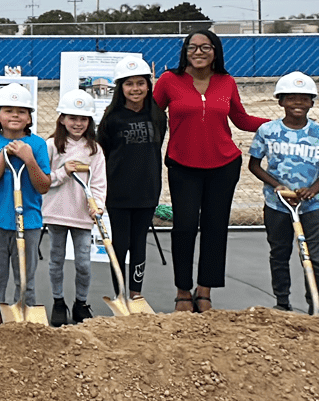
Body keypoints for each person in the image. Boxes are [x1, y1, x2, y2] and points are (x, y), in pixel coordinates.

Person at [153, 30, 268, 313]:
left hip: (223, 166)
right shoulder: (169, 80)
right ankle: (182, 291)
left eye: (206, 47)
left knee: (215, 229)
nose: (199, 52)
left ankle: (204, 290)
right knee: (184, 227)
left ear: (215, 51)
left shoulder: (226, 82)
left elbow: (240, 119)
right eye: (193, 47)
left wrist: (281, 123)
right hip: (183, 165)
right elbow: (151, 116)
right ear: (185, 51)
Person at [248, 72, 319, 314]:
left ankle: (317, 306)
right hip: (277, 205)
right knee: (279, 253)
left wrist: (312, 190)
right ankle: (282, 302)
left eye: (304, 99)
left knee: (314, 258)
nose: (298, 103)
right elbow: (254, 165)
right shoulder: (267, 131)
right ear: (280, 101)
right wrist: (277, 186)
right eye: (291, 98)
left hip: (312, 206)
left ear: (312, 102)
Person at [0, 83, 51, 325]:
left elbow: (43, 185)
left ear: (29, 118)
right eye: (8, 111)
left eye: (21, 111)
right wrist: (5, 153)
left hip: (28, 220)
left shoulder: (38, 144)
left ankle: (25, 313)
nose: (15, 115)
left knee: (25, 274)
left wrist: (29, 158)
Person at [98, 57, 166, 308]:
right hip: (118, 192)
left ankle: (136, 292)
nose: (135, 89)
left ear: (148, 85)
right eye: (129, 84)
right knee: (120, 243)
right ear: (120, 88)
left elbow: (156, 147)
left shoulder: (157, 115)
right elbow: (103, 151)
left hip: (147, 191)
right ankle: (119, 290)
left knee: (139, 243)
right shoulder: (112, 117)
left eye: (140, 83)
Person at [43, 89, 106, 326]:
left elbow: (99, 183)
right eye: (72, 118)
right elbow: (43, 180)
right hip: (56, 212)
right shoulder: (51, 145)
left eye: (83, 119)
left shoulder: (94, 150)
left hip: (82, 214)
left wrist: (97, 206)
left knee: (83, 262)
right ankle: (58, 302)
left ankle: (81, 302)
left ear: (89, 121)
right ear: (62, 119)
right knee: (56, 259)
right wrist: (63, 172)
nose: (78, 123)